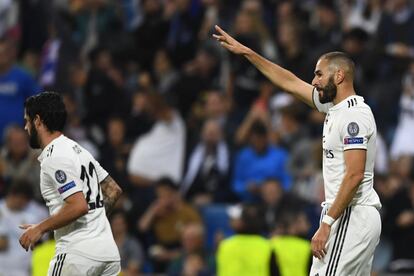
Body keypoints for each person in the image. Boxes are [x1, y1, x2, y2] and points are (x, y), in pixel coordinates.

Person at [213, 25, 382, 275]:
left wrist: (326, 223)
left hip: (350, 217)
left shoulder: (353, 117)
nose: (314, 81)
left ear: (339, 76)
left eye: (319, 74)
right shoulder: (336, 109)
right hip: (351, 216)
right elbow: (290, 82)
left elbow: (355, 175)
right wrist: (249, 53)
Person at [18, 91, 123, 275]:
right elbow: (113, 190)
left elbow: (78, 206)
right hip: (108, 254)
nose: (26, 127)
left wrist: (39, 228)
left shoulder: (54, 157)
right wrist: (93, 225)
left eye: (27, 121)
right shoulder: (80, 150)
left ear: (38, 121)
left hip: (78, 255)